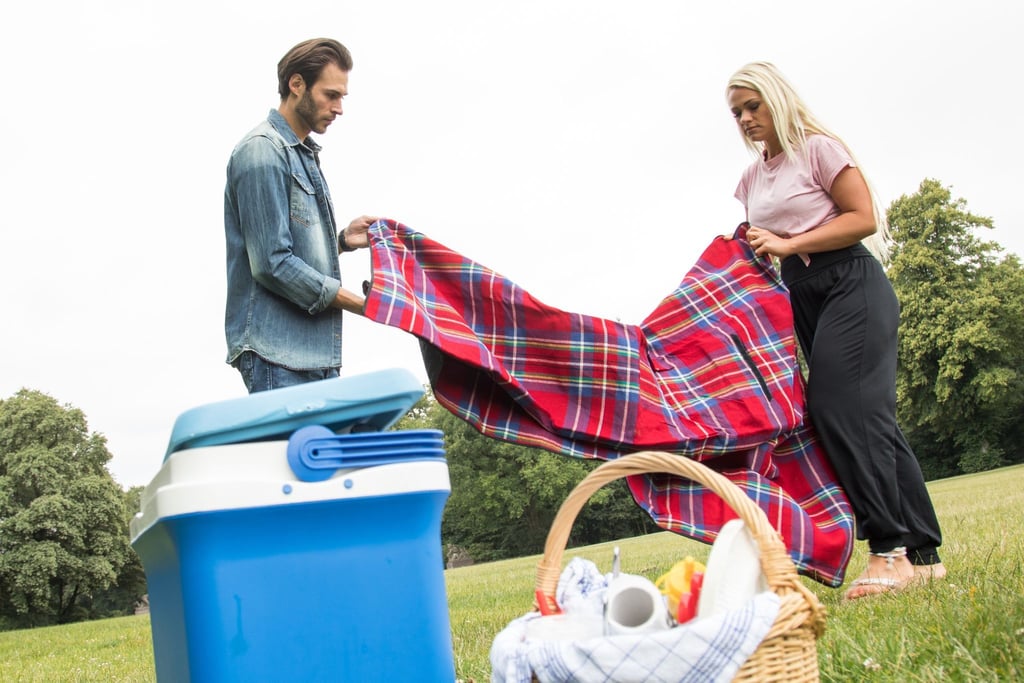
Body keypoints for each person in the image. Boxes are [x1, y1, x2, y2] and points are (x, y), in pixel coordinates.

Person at [726, 61, 946, 600]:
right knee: (870, 418)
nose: (746, 119)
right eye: (736, 113)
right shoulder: (751, 179)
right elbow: (756, 244)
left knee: (838, 408)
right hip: (801, 296)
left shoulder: (819, 149)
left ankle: (888, 551)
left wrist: (787, 242)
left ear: (776, 100)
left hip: (851, 282)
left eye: (753, 106)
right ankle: (923, 556)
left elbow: (863, 217)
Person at [224, 38, 375, 393]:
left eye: (342, 97)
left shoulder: (302, 155)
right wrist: (362, 304)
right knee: (292, 452)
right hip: (278, 356)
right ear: (297, 85)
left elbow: (288, 249)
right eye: (331, 95)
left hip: (313, 356)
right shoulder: (262, 151)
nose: (339, 108)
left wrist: (340, 242)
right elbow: (272, 264)